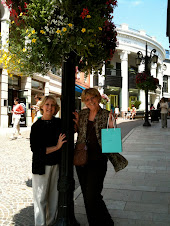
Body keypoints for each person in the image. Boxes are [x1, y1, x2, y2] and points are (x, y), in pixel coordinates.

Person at [73, 88, 115, 226]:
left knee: (93, 195)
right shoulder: (83, 113)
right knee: (86, 195)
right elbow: (80, 132)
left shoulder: (106, 114)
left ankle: (107, 222)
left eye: (93, 98)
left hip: (98, 160)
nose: (90, 101)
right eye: (87, 99)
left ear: (98, 98)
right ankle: (93, 222)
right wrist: (77, 124)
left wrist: (111, 126)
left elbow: (113, 143)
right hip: (82, 158)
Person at [30, 95, 66, 226]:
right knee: (40, 198)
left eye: (52, 105)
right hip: (41, 166)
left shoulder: (59, 123)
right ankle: (40, 224)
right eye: (47, 104)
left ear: (56, 108)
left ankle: (50, 223)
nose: (50, 107)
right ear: (42, 107)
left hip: (56, 165)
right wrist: (56, 147)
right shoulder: (36, 126)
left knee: (53, 198)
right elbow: (36, 149)